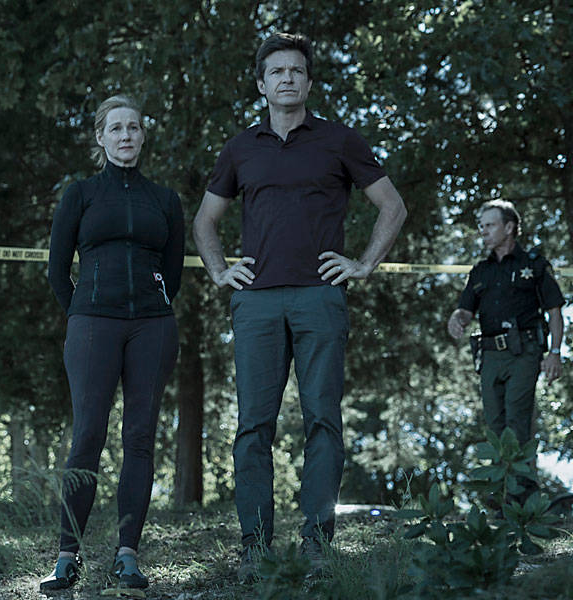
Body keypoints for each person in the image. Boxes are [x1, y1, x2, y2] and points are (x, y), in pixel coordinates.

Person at [192, 32, 407, 581]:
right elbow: (205, 220)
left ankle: (316, 543)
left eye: (296, 71)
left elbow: (392, 206)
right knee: (253, 425)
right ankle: (255, 547)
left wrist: (363, 264)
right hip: (256, 302)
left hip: (320, 298)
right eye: (277, 72)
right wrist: (219, 270)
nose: (286, 78)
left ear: (309, 82)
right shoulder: (240, 148)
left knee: (323, 421)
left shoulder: (340, 140)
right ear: (262, 84)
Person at [40, 95, 184, 593]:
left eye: (134, 128)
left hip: (153, 326)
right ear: (100, 137)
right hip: (92, 324)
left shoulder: (165, 200)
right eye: (116, 128)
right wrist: (83, 313)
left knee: (140, 437)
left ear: (143, 136)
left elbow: (172, 272)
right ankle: (66, 555)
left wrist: (148, 310)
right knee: (88, 436)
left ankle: (127, 555)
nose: (126, 136)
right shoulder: (79, 194)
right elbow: (57, 270)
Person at [447, 200, 564, 465]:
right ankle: (499, 489)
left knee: (516, 422)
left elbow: (555, 310)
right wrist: (457, 318)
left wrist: (555, 353)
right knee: (494, 425)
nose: (483, 231)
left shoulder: (534, 265)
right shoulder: (480, 271)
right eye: (481, 226)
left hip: (523, 351)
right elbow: (465, 310)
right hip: (490, 356)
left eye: (490, 225)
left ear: (509, 227)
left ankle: (520, 489)